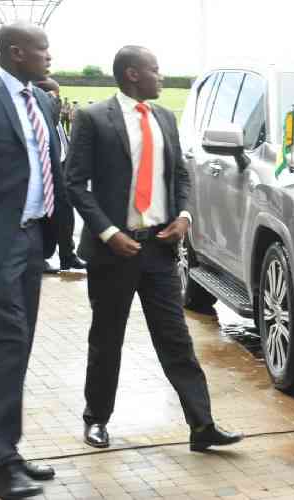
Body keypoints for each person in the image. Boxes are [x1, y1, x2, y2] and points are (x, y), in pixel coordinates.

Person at [66, 45, 243, 452]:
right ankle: (96, 420)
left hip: (159, 252)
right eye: (155, 70)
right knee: (107, 339)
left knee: (176, 340)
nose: (161, 77)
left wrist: (184, 215)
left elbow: (180, 175)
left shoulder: (164, 117)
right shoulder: (95, 119)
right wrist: (109, 232)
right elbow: (74, 182)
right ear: (132, 74)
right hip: (114, 252)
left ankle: (202, 426)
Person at [0, 21, 62, 499]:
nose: (49, 57)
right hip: (0, 244)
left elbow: (49, 165)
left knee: (17, 349)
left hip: (34, 240)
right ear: (17, 53)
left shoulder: (41, 100)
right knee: (9, 345)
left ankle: (7, 450)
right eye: (42, 50)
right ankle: (2, 463)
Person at [34, 77, 86, 272]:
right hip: (47, 176)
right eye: (56, 96)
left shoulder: (54, 121)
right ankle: (41, 257)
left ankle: (68, 256)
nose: (59, 101)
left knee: (66, 217)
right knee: (46, 219)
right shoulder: (43, 118)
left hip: (62, 171)